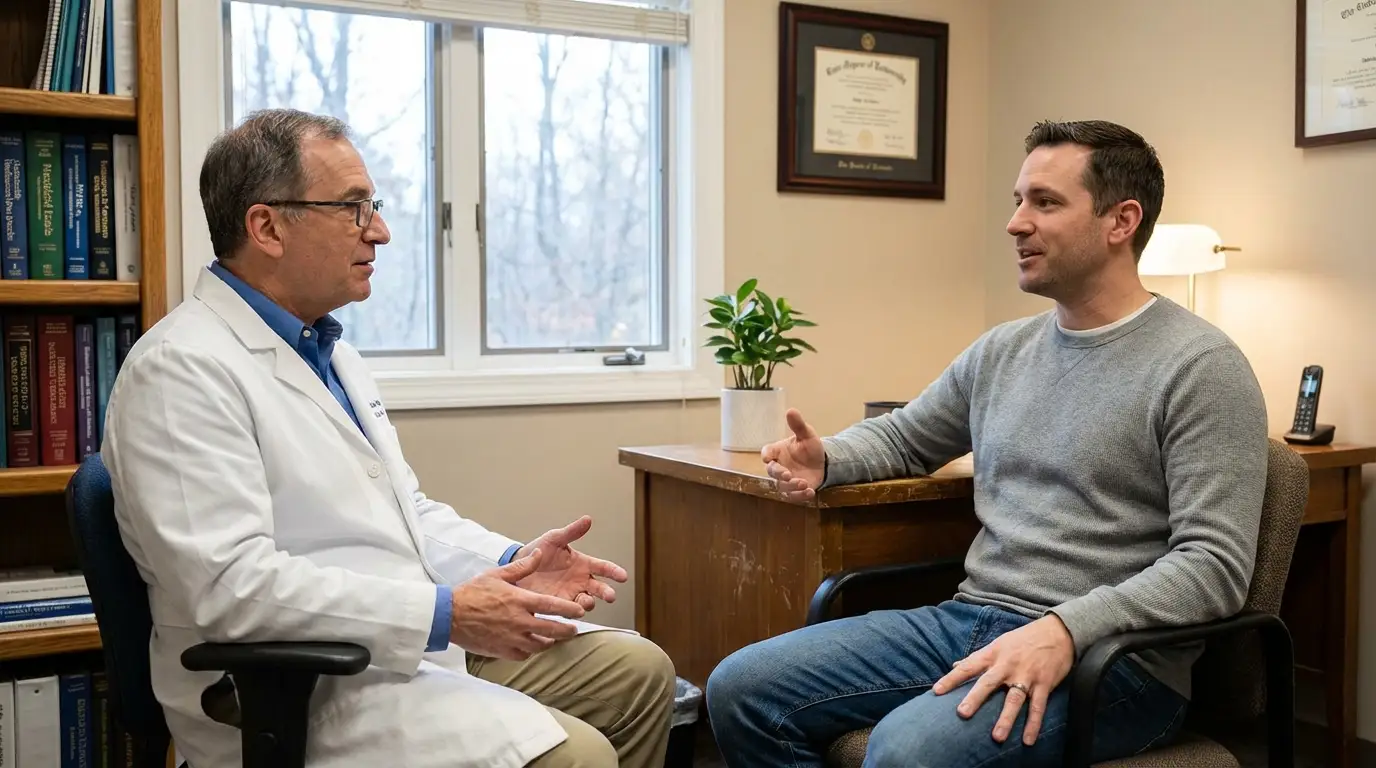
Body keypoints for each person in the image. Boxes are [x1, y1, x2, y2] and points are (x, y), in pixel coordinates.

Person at [100, 108, 675, 768]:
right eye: (352, 208)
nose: (380, 230)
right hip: (296, 691)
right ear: (266, 227)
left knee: (636, 673)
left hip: (395, 652)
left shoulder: (328, 351)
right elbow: (231, 589)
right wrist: (445, 614)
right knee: (578, 756)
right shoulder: (180, 370)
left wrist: (514, 565)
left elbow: (406, 517)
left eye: (372, 206)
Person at [704, 119, 1270, 767]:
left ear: (1122, 221)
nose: (1016, 223)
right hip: (971, 619)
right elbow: (909, 437)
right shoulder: (1003, 350)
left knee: (906, 751)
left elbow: (1214, 567)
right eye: (1018, 200)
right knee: (741, 689)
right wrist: (827, 457)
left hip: (1117, 661)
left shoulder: (1201, 366)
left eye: (1046, 202)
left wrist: (1066, 628)